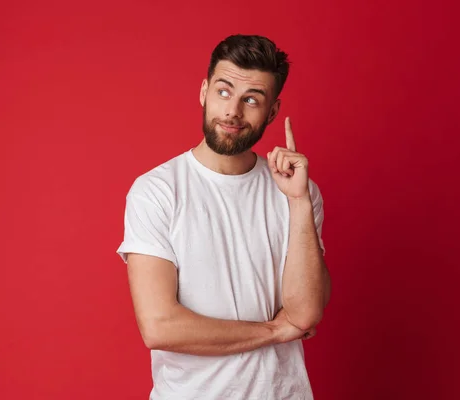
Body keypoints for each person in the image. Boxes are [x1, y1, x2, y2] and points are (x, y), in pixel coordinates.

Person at [116, 34, 331, 400]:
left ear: (273, 112)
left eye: (252, 99)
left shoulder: (300, 193)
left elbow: (305, 312)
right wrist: (275, 331)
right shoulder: (157, 191)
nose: (233, 111)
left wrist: (298, 202)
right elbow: (160, 326)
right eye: (224, 91)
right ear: (204, 92)